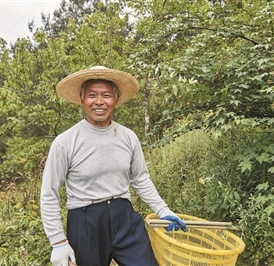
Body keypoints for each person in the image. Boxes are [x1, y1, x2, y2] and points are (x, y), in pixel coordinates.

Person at [40, 66, 186, 266]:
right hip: (85, 222)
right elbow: (49, 193)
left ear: (115, 100)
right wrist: (58, 242)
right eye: (92, 95)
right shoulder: (65, 142)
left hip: (124, 217)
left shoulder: (128, 137)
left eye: (106, 95)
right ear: (82, 99)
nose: (99, 101)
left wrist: (163, 210)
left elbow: (140, 177)